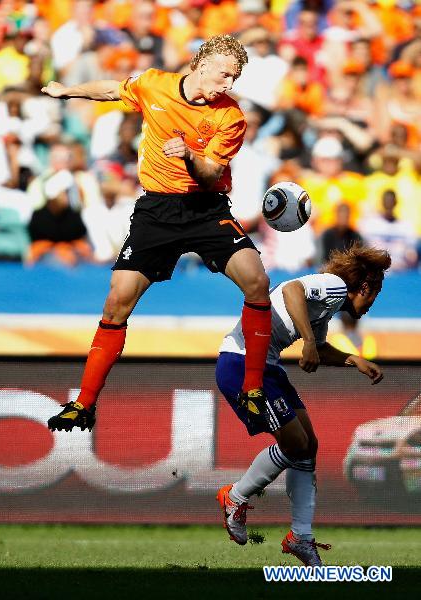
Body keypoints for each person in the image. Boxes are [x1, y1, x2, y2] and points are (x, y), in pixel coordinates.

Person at [42, 34, 272, 432]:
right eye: (225, 74)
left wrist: (188, 155)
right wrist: (68, 91)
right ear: (202, 64)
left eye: (235, 77)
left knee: (257, 281)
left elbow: (211, 174)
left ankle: (253, 389)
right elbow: (113, 90)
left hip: (206, 210)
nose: (229, 84)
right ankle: (84, 403)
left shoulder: (230, 117)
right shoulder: (154, 84)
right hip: (157, 211)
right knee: (116, 304)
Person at [216, 243, 391, 566]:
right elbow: (292, 290)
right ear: (364, 287)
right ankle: (235, 497)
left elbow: (320, 347)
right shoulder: (334, 286)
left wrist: (354, 359)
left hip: (267, 366)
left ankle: (301, 537)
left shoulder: (327, 306)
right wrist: (308, 342)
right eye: (372, 297)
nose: (369, 307)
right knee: (296, 444)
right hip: (241, 363)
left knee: (308, 446)